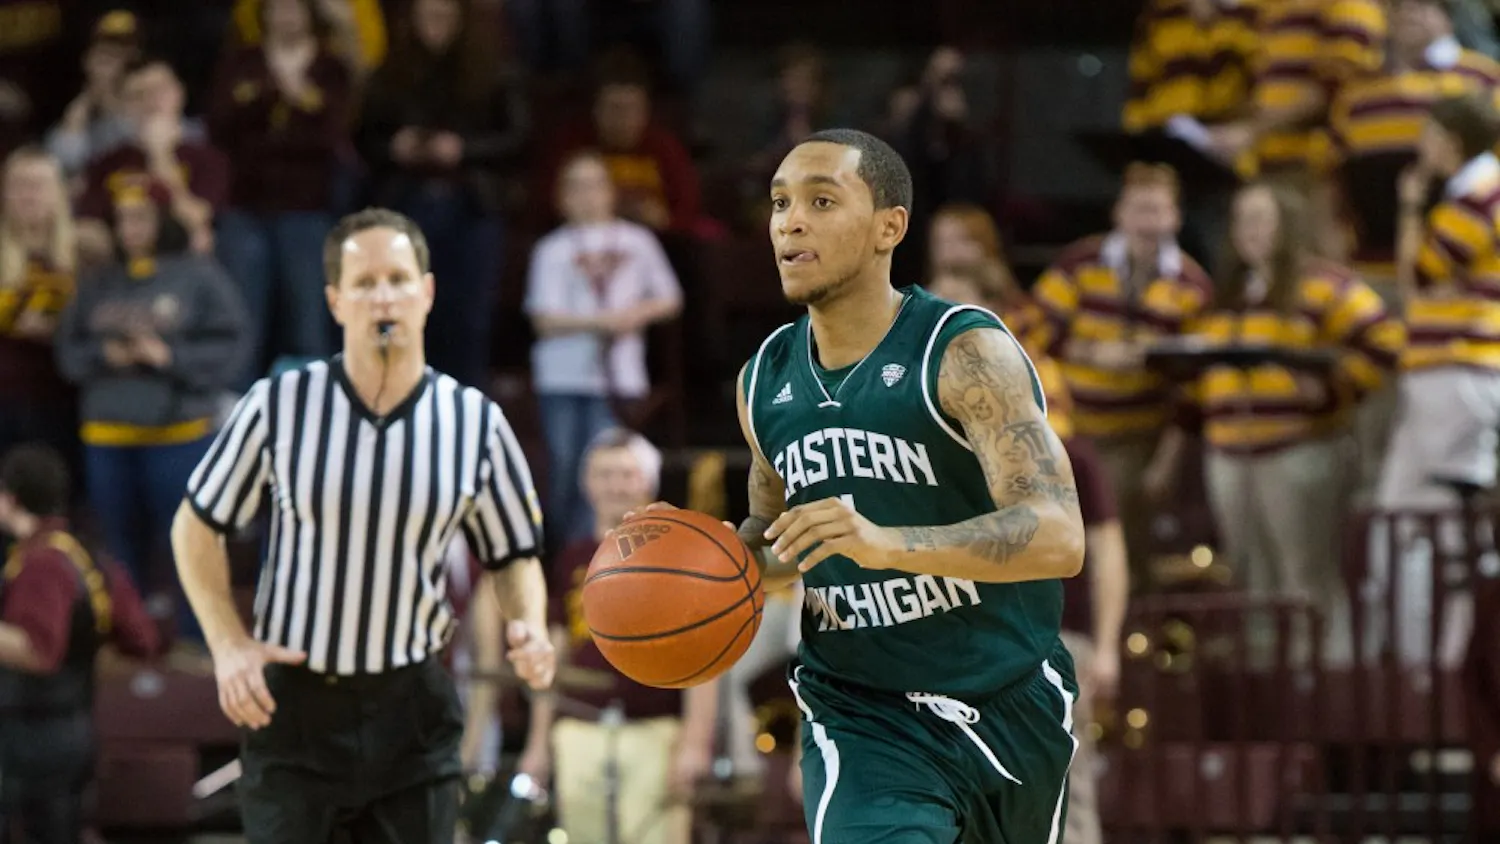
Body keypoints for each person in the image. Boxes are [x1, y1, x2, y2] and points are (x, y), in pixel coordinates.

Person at [633, 129, 1086, 843]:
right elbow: (775, 543)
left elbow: (1059, 536)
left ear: (889, 227)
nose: (791, 222)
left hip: (1010, 696)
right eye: (780, 203)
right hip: (861, 712)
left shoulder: (964, 351)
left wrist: (887, 544)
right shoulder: (765, 380)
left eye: (821, 201)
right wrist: (702, 557)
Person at [170, 207, 556, 844]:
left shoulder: (474, 421)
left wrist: (529, 623)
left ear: (426, 292)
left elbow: (513, 554)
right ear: (335, 301)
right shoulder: (279, 403)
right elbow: (195, 524)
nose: (384, 297)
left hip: (412, 707)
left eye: (398, 279)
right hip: (296, 704)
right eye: (365, 282)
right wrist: (228, 644)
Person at [517, 427, 718, 844]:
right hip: (580, 726)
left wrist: (696, 740)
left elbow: (706, 653)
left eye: (627, 474)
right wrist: (537, 742)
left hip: (655, 729)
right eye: (604, 475)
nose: (615, 485)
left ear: (648, 482)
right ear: (586, 483)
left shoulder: (676, 556)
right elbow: (554, 651)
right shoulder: (572, 559)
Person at [0, 442, 162, 844]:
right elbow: (141, 638)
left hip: (30, 736)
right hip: (77, 727)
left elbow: (39, 651)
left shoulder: (42, 563)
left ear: (12, 498)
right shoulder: (87, 555)